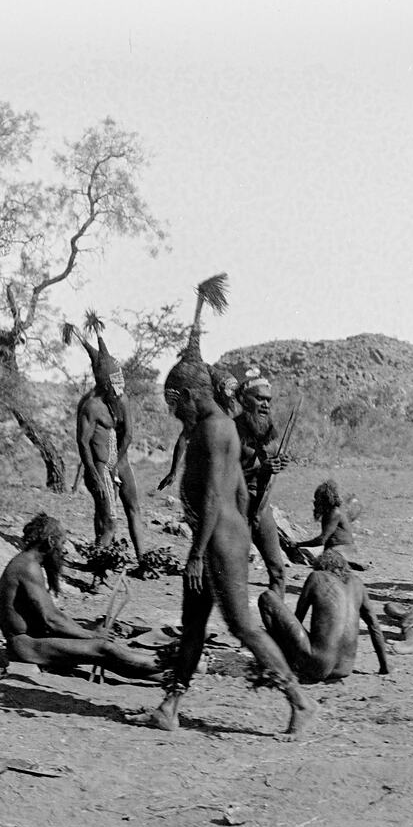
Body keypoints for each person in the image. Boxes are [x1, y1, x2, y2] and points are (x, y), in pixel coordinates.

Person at [142, 307, 315, 738]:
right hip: (214, 539)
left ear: (185, 395)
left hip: (218, 543)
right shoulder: (213, 428)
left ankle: (299, 699)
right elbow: (234, 493)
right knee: (194, 625)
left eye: (172, 402)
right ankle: (170, 706)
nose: (171, 412)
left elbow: (218, 498)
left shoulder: (216, 430)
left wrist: (200, 553)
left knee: (241, 625)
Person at [0, 513, 163, 680]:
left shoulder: (28, 562)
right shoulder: (27, 567)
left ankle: (167, 676)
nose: (63, 551)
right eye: (62, 544)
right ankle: (169, 664)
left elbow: (53, 617)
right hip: (27, 647)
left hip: (34, 640)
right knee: (103, 648)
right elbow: (52, 619)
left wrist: (87, 632)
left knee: (104, 653)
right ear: (51, 542)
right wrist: (90, 635)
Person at [258, 548, 392, 683]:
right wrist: (384, 666)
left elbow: (298, 618)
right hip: (344, 669)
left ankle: (281, 661)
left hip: (318, 664)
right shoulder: (358, 583)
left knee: (267, 597)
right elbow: (374, 625)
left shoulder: (316, 577)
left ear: (320, 565)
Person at [73, 333, 147, 564]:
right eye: (115, 384)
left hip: (120, 463)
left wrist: (118, 462)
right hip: (102, 467)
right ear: (105, 384)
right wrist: (95, 473)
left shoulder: (121, 401)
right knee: (109, 519)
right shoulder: (92, 407)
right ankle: (98, 565)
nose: (120, 388)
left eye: (121, 382)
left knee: (133, 508)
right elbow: (83, 442)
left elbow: (129, 434)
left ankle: (143, 560)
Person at [232, 366, 294, 597]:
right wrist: (260, 469)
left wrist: (279, 462)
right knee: (235, 572)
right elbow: (225, 474)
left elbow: (270, 459)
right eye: (260, 399)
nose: (266, 405)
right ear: (245, 401)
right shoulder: (231, 429)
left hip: (262, 509)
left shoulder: (268, 429)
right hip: (238, 510)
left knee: (277, 571)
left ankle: (276, 619)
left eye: (268, 400)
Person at [289, 479, 367, 570]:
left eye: (317, 499)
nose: (315, 502)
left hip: (341, 550)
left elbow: (322, 540)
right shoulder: (332, 511)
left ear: (324, 500)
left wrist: (298, 544)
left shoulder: (334, 513)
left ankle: (346, 563)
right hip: (339, 549)